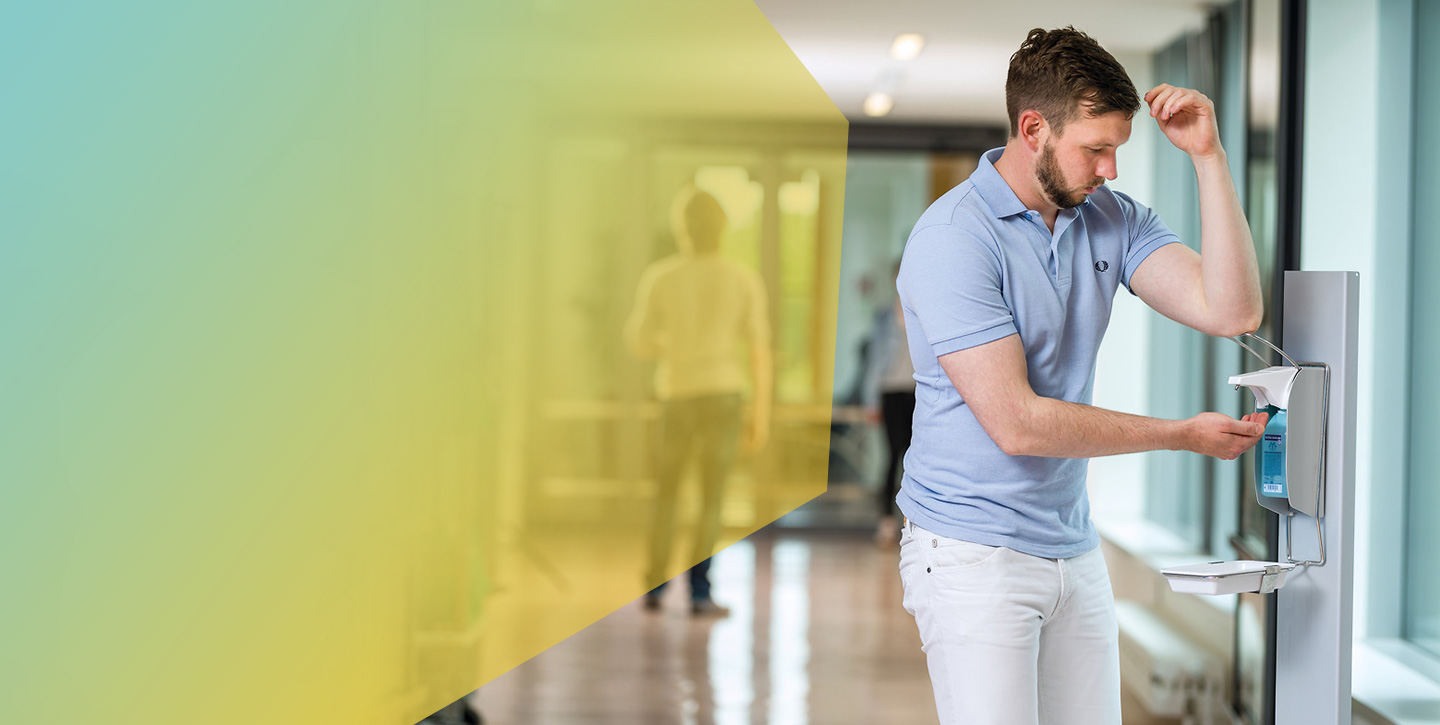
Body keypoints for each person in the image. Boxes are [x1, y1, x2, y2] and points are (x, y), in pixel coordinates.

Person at [894, 27, 1270, 724]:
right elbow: (1018, 424)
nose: (1110, 170)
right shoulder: (954, 238)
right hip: (973, 551)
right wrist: (1181, 435)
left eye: (1117, 149)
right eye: (1095, 149)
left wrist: (1209, 158)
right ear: (1033, 129)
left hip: (1071, 543)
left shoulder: (1110, 219)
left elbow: (1234, 311)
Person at [625, 185, 772, 617]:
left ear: (681, 228)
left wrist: (671, 343)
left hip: (677, 394)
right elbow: (759, 352)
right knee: (712, 498)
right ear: (722, 228)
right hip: (723, 394)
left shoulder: (661, 277)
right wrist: (760, 414)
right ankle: (700, 592)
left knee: (667, 494)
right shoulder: (742, 278)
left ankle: (655, 586)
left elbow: (638, 341)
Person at [861, 270, 914, 547]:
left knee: (914, 459)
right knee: (893, 456)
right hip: (890, 393)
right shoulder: (884, 316)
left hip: (918, 393)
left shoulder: (926, 310)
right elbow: (873, 361)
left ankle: (913, 521)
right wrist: (870, 401)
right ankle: (886, 522)